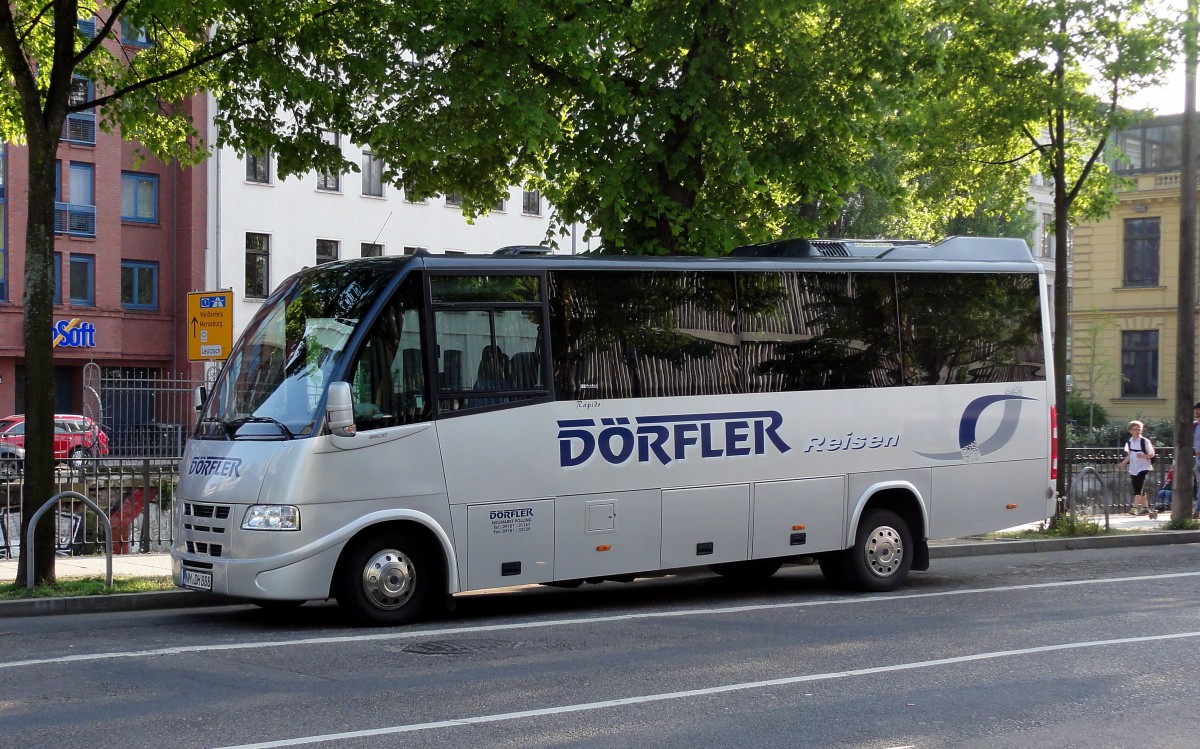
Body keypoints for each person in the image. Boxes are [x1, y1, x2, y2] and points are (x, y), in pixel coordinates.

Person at [1117, 420, 1155, 516]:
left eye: (1139, 429)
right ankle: (1146, 509)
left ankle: (1134, 508)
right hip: (1134, 467)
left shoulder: (1144, 441)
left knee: (1138, 488)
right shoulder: (1129, 442)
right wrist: (1122, 463)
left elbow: (1152, 454)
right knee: (1138, 486)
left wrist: (1143, 456)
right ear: (1130, 430)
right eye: (1135, 429)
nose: (1137, 431)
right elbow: (1130, 455)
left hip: (1143, 467)